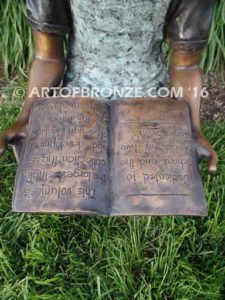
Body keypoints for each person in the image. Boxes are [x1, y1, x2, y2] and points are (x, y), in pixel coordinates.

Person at [0, 0, 218, 172]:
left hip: (149, 102)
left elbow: (185, 67)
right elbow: (47, 58)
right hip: (80, 100)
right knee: (66, 177)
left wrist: (192, 129)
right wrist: (26, 118)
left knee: (149, 179)